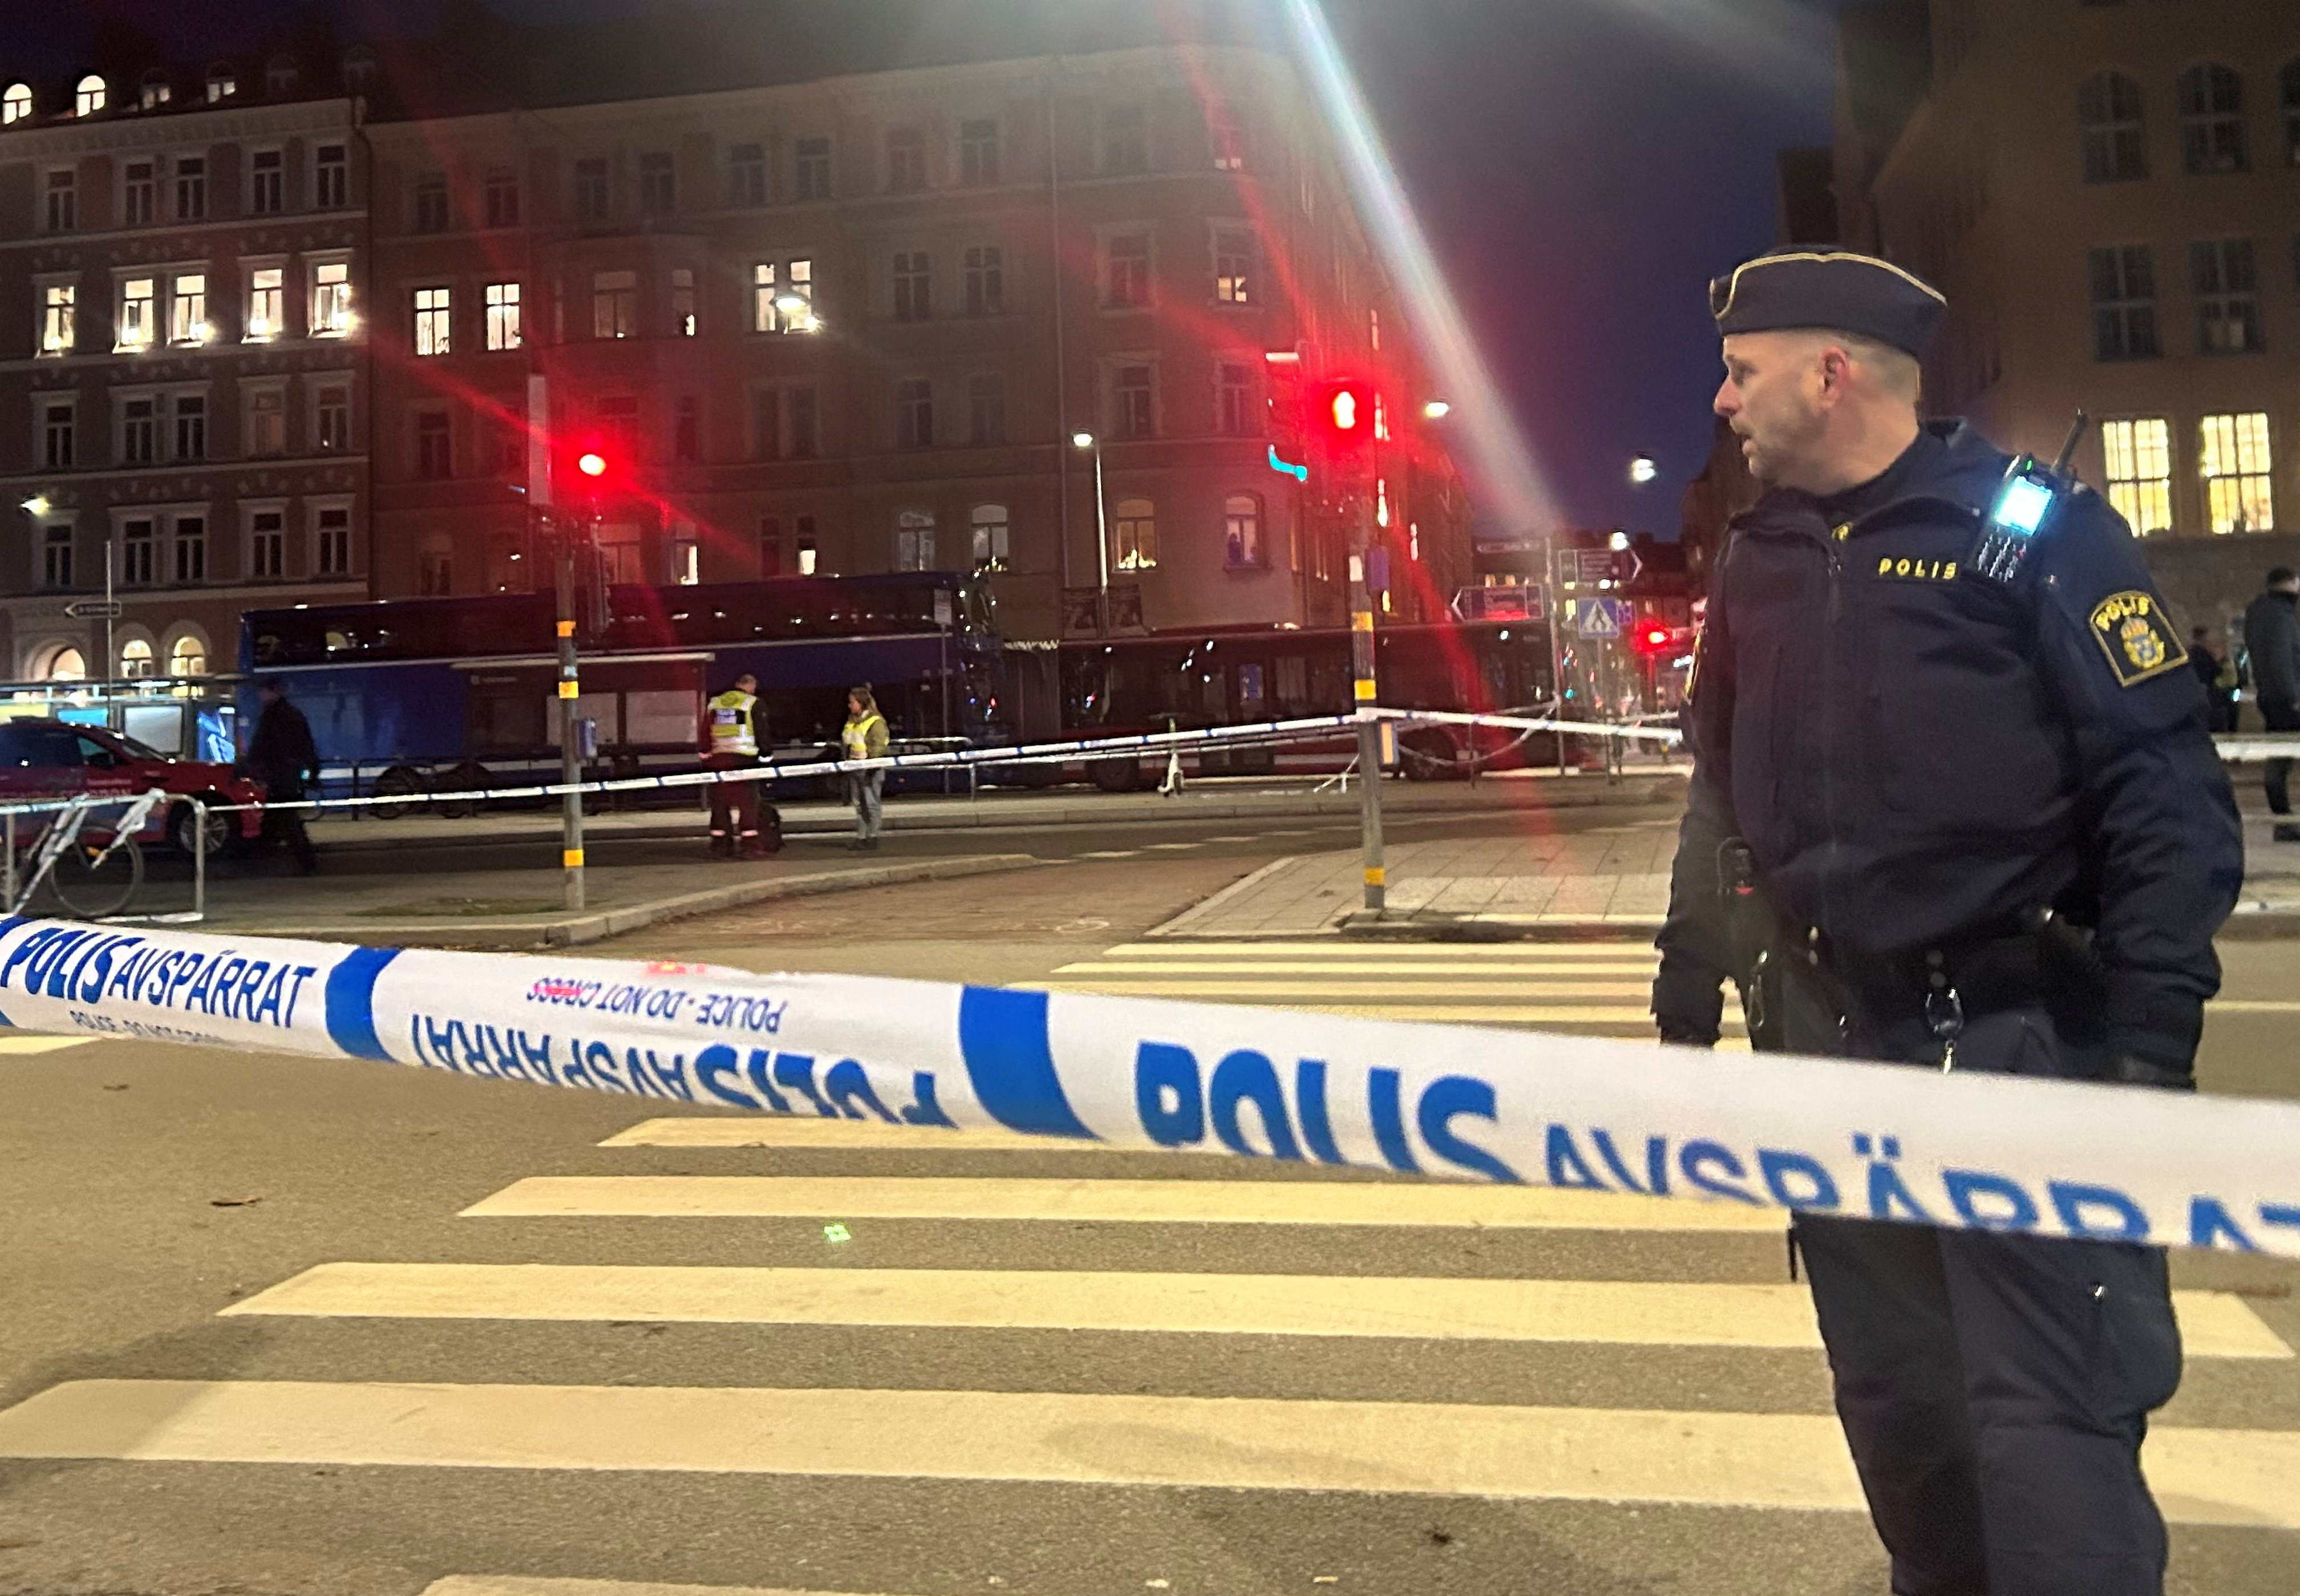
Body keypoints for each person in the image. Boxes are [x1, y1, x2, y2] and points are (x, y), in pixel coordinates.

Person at [1653, 249, 2242, 1596]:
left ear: (1832, 372)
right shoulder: (1760, 556)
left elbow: (2165, 800)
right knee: (1907, 1426)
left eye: (1743, 373)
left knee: (2051, 1447)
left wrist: (2148, 1056)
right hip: (1828, 1054)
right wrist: (1690, 970)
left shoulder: (2031, 534)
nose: (1724, 400)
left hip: (2020, 1046)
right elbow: (1717, 778)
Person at [2241, 565, 2300, 842]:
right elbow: (2282, 659)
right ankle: (2285, 822)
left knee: (2279, 758)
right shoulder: (2280, 614)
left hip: (2270, 696)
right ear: (2290, 583)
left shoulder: (2259, 612)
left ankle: (2282, 819)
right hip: (2288, 699)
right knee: (2281, 758)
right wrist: (2293, 697)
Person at [244, 679, 321, 876]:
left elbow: (261, 745)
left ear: (273, 692)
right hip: (290, 776)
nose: (261, 695)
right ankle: (258, 860)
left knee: (285, 820)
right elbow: (307, 746)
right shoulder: (292, 715)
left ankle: (305, 862)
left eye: (263, 691)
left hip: (281, 777)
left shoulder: (273, 716)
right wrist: (311, 773)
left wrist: (245, 766)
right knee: (279, 819)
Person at [700, 673, 780, 860]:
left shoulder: (715, 703)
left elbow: (705, 731)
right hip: (745, 761)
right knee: (748, 805)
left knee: (720, 804)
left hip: (718, 761)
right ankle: (749, 846)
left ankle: (720, 846)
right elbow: (762, 731)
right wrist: (766, 756)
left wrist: (706, 755)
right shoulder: (752, 703)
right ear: (750, 686)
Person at [840, 684, 889, 850]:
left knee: (871, 803)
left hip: (870, 769)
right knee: (859, 805)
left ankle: (872, 837)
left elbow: (879, 746)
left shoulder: (875, 722)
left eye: (852, 702)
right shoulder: (851, 721)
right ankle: (862, 837)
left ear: (861, 703)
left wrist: (872, 766)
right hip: (855, 767)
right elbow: (848, 743)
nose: (850, 705)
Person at [2187, 626, 2233, 732]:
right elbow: (2215, 671)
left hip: (2195, 690)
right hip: (2208, 691)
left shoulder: (2189, 653)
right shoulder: (2203, 654)